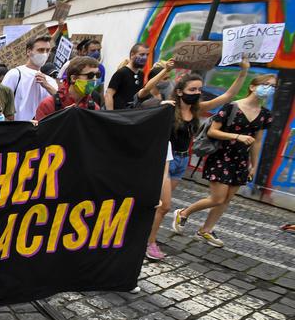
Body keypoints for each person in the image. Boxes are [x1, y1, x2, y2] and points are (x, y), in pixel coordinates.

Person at [143, 59, 249, 260]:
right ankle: (150, 243)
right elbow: (145, 92)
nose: (197, 93)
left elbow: (228, 96)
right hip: (164, 160)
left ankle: (143, 235)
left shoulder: (196, 110)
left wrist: (243, 73)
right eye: (192, 89)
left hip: (181, 161)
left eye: (200, 89)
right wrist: (166, 70)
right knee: (164, 206)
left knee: (156, 204)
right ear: (181, 91)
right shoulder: (168, 106)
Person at [173, 71, 273, 248]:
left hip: (241, 160)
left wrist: (254, 165)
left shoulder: (265, 114)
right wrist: (238, 136)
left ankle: (206, 230)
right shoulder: (232, 107)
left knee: (226, 199)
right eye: (266, 85)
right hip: (221, 156)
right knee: (218, 198)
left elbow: (257, 141)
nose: (269, 89)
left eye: (273, 86)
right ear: (252, 87)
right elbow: (212, 131)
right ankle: (183, 212)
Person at [1, 36, 58, 121]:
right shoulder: (15, 74)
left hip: (42, 130)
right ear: (29, 51)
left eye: (47, 50)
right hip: (19, 129)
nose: (45, 54)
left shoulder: (51, 81)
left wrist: (47, 86)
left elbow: (61, 103)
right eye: (41, 50)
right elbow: (1, 105)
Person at [34, 56, 103, 120]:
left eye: (97, 75)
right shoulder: (48, 104)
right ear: (74, 78)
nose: (95, 79)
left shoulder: (94, 108)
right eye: (90, 75)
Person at [105, 43, 149, 110]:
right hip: (119, 113)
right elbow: (109, 94)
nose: (145, 58)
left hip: (132, 113)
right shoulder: (121, 73)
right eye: (142, 54)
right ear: (132, 55)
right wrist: (111, 115)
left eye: (147, 55)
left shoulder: (141, 74)